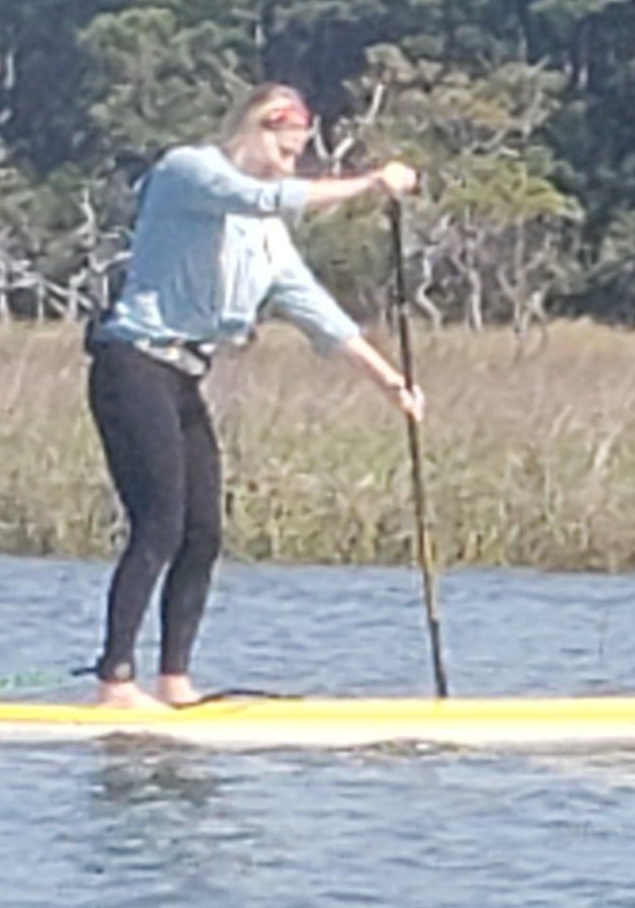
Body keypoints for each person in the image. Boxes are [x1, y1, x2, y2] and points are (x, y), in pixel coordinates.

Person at [84, 83, 424, 709]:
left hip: (183, 374)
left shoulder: (267, 235)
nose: (294, 161)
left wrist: (391, 384)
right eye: (288, 147)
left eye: (299, 151)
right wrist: (371, 184)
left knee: (204, 529)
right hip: (131, 365)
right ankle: (114, 682)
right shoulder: (190, 171)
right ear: (257, 130)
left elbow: (317, 311)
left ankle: (175, 681)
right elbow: (264, 194)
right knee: (158, 523)